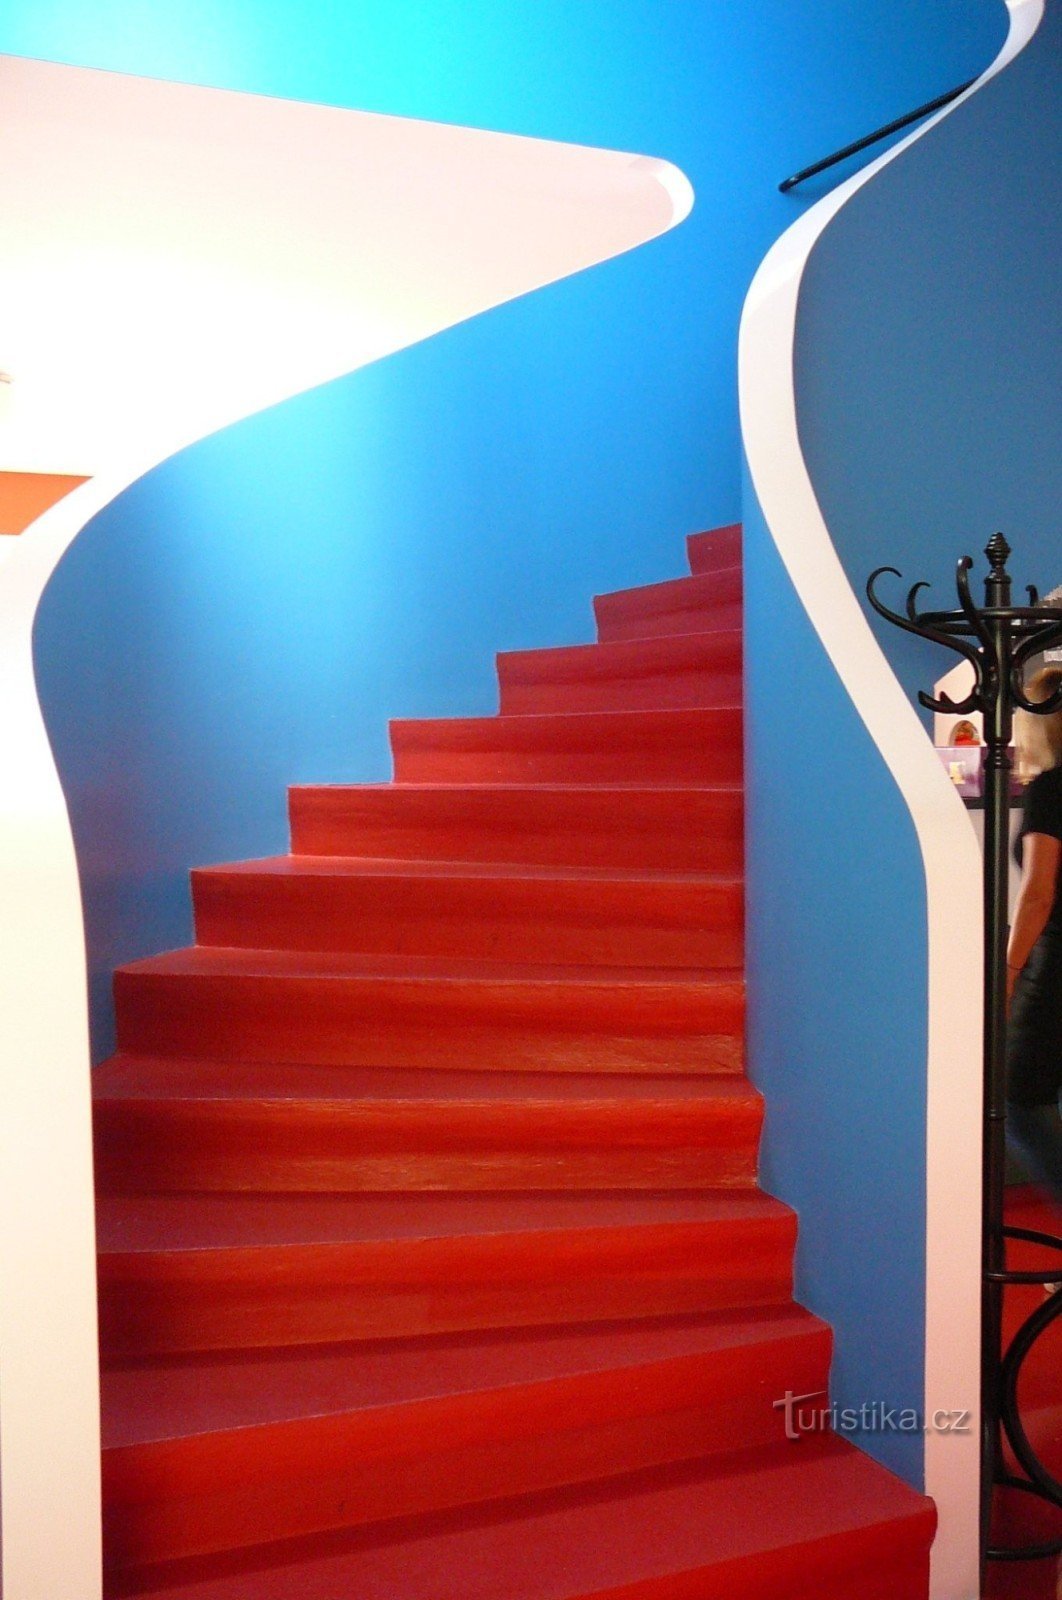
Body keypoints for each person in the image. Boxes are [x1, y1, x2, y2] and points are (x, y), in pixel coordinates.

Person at [1006, 665, 1062, 1206]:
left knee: (1019, 1098)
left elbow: (1038, 893)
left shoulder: (1051, 790)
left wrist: (1008, 970)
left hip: (1056, 968)